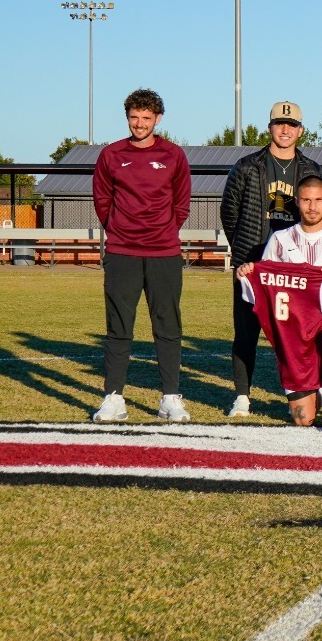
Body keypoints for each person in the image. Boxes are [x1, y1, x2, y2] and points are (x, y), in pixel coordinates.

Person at [234, 175, 322, 429]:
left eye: (318, 200)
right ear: (297, 202)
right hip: (295, 329)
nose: (312, 207)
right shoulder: (280, 240)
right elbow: (266, 283)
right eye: (306, 201)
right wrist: (248, 271)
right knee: (303, 419)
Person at [219, 101, 322, 418]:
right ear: (270, 127)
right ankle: (242, 397)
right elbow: (229, 213)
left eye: (291, 125)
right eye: (279, 123)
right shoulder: (247, 166)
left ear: (300, 131)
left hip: (295, 264)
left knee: (300, 333)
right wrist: (243, 249)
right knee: (246, 331)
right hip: (252, 262)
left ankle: (307, 391)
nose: (285, 130)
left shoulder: (311, 170)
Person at [91, 88, 191, 423]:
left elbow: (181, 204)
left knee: (167, 325)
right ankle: (114, 397)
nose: (139, 123)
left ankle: (170, 398)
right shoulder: (111, 155)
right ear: (127, 117)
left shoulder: (174, 155)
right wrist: (119, 229)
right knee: (119, 326)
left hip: (164, 252)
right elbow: (102, 202)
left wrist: (162, 231)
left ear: (157, 119)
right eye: (134, 117)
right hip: (122, 252)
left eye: (146, 118)